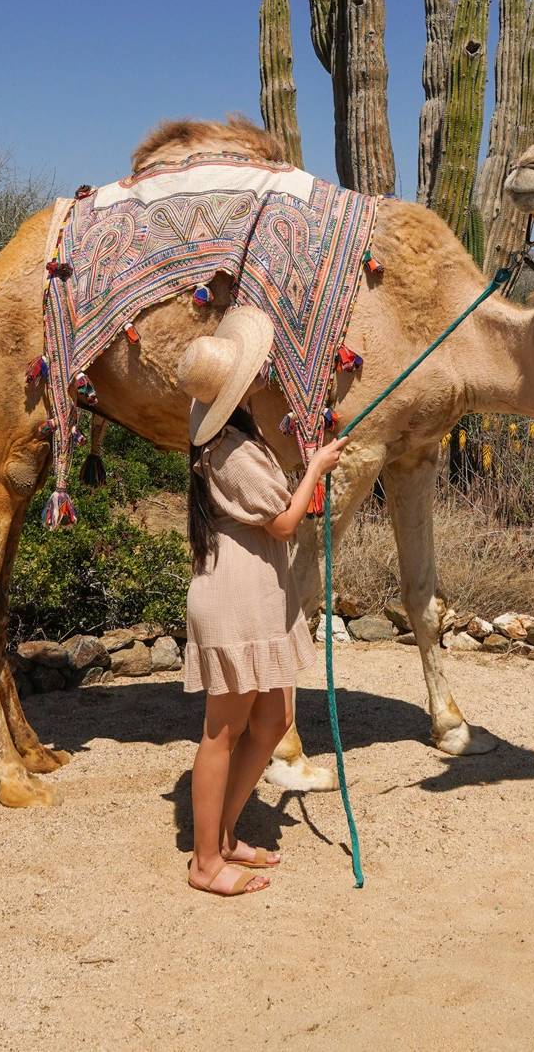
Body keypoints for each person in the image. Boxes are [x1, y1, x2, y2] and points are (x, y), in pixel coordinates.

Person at [176, 307, 349, 898]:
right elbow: (282, 522)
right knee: (222, 731)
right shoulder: (231, 448)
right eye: (255, 368)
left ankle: (223, 834)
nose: (263, 371)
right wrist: (318, 468)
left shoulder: (225, 424)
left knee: (273, 719)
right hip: (236, 591)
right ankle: (205, 862)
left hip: (255, 588)